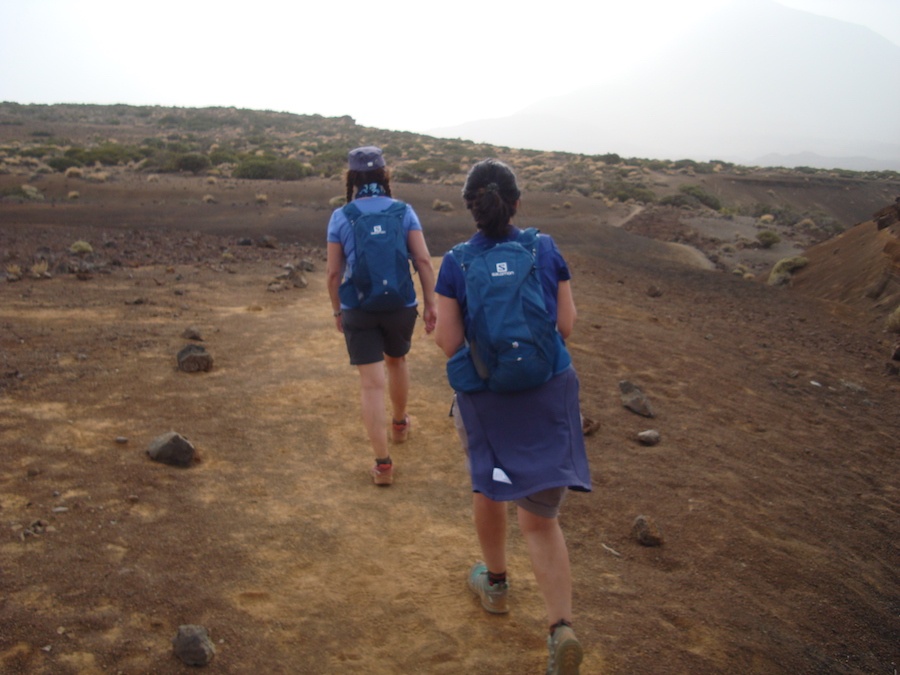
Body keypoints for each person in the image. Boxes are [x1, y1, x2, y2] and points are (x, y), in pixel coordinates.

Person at [433, 159, 591, 674]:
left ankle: (496, 585)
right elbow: (565, 325)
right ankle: (560, 628)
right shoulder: (544, 249)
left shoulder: (457, 262)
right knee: (541, 522)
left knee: (489, 488)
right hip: (549, 393)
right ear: (517, 202)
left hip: (486, 402)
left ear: (472, 208)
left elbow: (449, 342)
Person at [326, 146, 436, 485]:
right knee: (397, 362)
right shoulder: (404, 212)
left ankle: (383, 465)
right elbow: (423, 261)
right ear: (384, 175)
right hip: (400, 305)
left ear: (352, 179)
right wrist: (430, 304)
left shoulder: (341, 215)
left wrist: (336, 310)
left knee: (371, 385)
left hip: (358, 308)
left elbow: (333, 273)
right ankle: (400, 424)